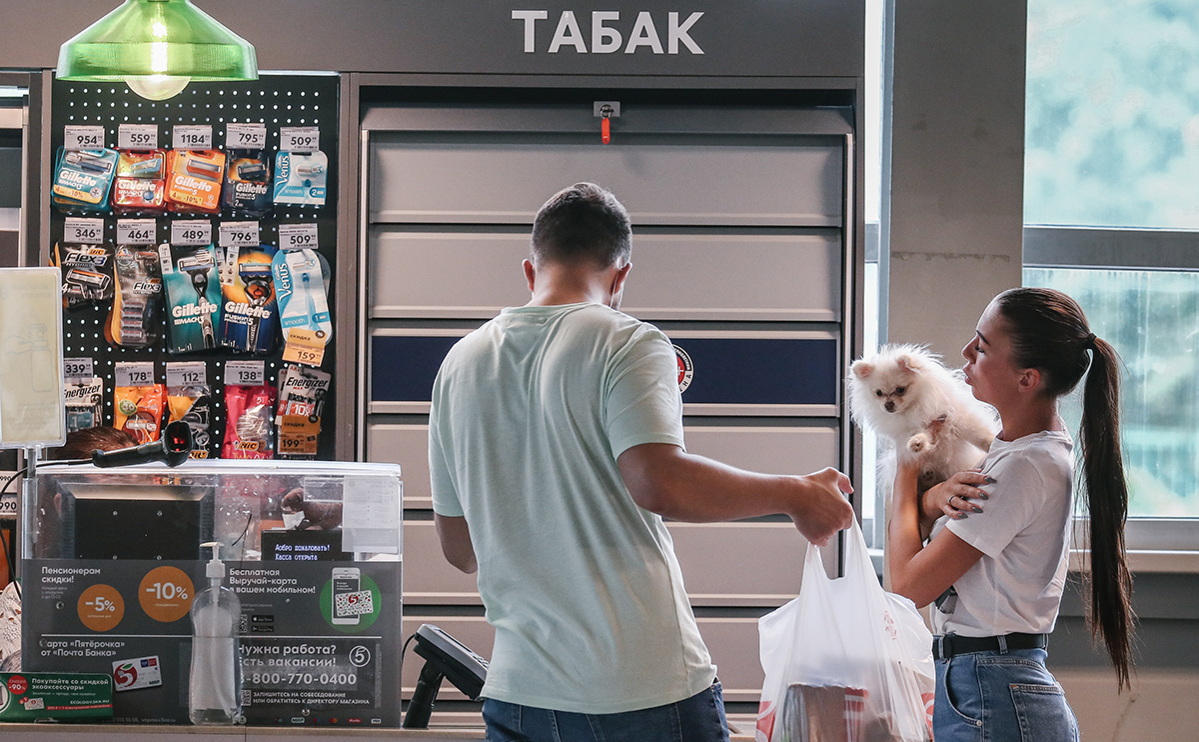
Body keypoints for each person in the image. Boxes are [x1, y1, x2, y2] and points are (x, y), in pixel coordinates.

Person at [429, 182, 855, 742]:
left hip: (519, 696)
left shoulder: (459, 365)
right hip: (642, 693)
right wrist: (798, 493)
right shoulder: (627, 342)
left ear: (531, 271)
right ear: (621, 275)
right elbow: (659, 482)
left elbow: (459, 550)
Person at [887, 287, 1134, 742]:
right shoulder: (1013, 452)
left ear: (1027, 378)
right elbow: (920, 538)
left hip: (992, 690)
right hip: (983, 684)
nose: (965, 353)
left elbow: (906, 585)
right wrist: (929, 499)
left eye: (981, 347)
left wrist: (906, 463)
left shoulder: (1023, 467)